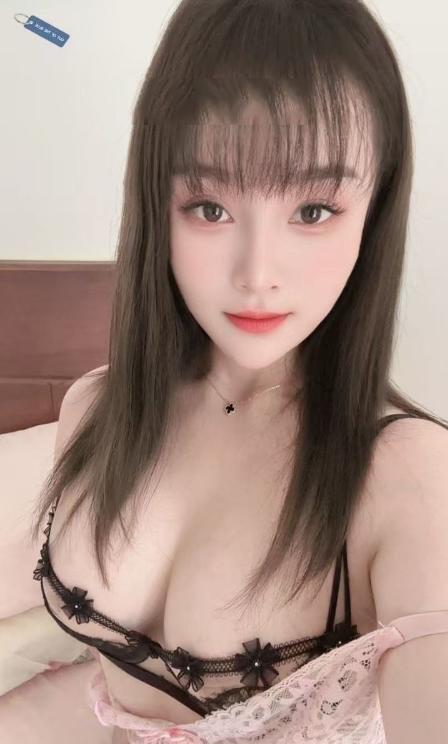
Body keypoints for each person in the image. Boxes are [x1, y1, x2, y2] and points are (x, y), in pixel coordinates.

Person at [30, 0, 448, 742]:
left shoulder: (407, 475)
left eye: (313, 210)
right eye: (209, 207)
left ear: (375, 210)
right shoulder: (94, 407)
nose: (257, 273)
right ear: (156, 202)